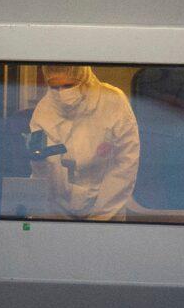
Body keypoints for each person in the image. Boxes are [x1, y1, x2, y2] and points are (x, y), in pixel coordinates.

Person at [29, 65, 140, 221]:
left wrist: (102, 215)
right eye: (54, 87)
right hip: (59, 207)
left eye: (69, 86)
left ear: (84, 79)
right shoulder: (43, 111)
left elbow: (125, 163)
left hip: (108, 202)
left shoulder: (113, 101)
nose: (62, 93)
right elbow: (47, 170)